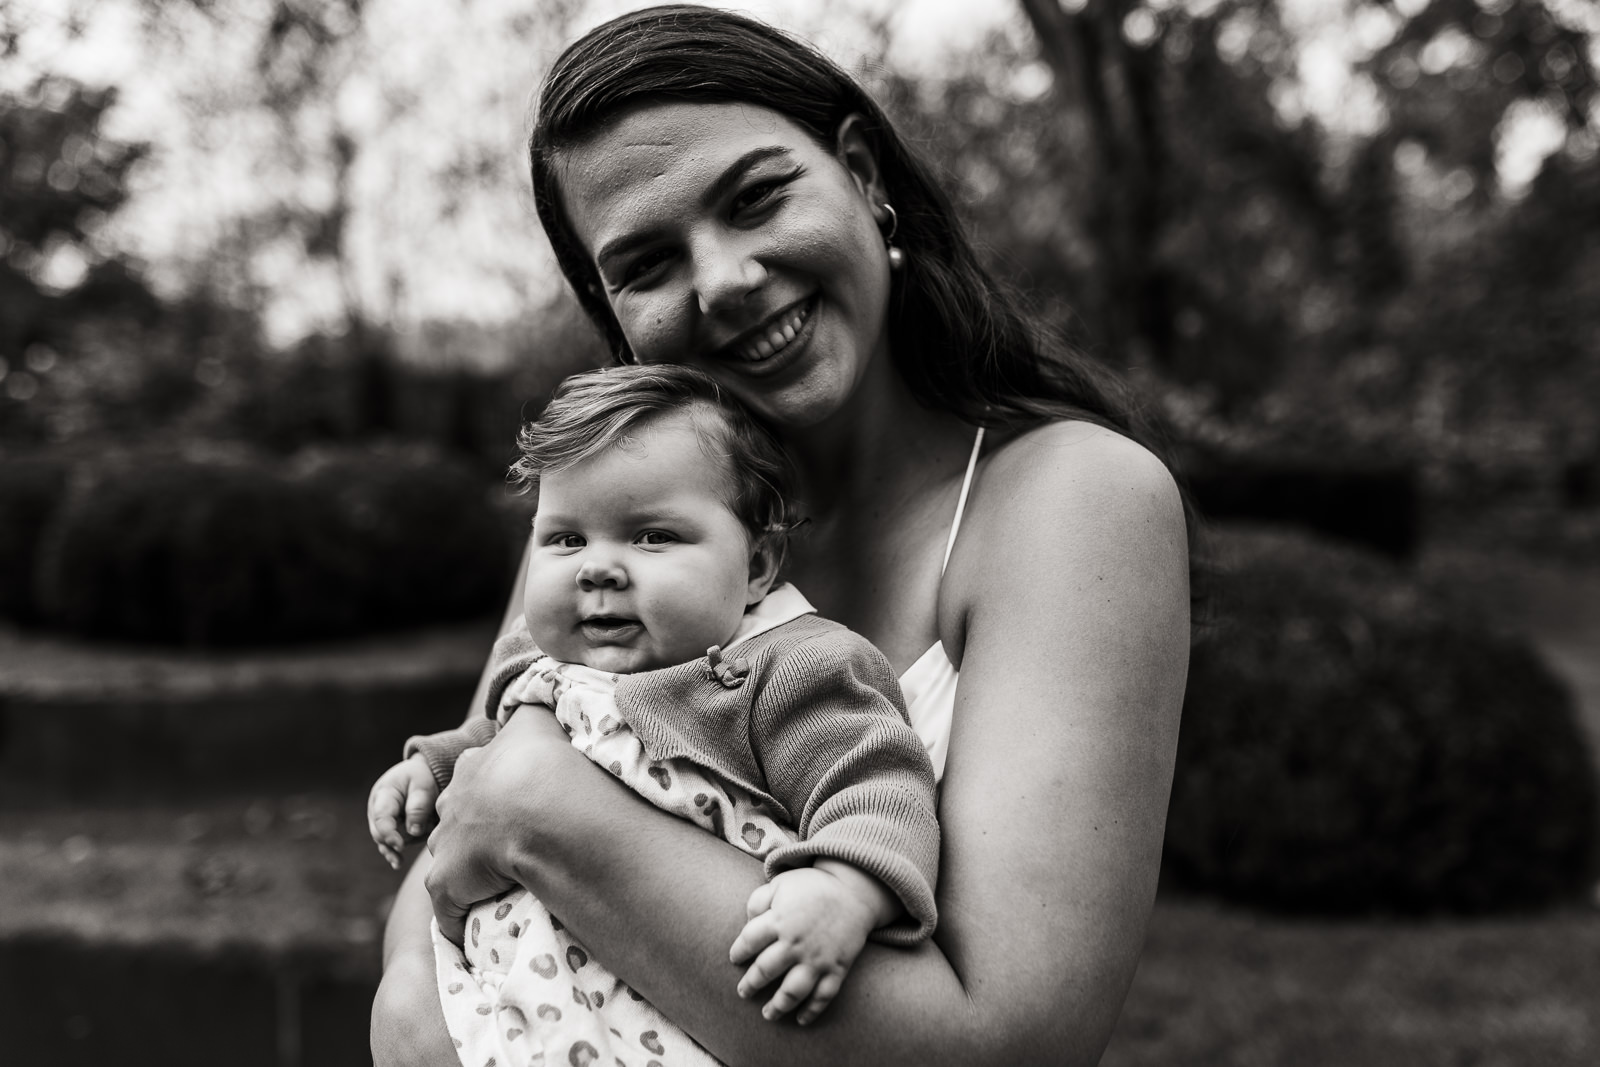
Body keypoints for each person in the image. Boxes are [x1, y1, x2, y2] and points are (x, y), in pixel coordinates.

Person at [373, 6, 1191, 1066]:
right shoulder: (618, 525)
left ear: (862, 172)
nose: (721, 280)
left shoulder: (1072, 499)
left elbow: (1010, 1045)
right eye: (647, 263)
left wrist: (545, 815)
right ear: (613, 311)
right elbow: (427, 918)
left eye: (756, 198)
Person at [367, 365, 940, 1065]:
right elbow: (495, 740)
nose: (596, 569)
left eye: (652, 537)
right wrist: (434, 764)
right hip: (521, 1014)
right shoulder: (537, 659)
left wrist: (844, 890)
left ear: (758, 565)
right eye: (566, 539)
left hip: (671, 1023)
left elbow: (876, 786)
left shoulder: (787, 668)